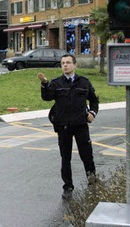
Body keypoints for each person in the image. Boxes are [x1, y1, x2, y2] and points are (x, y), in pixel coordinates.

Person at [37, 54, 99, 199]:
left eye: (68, 62)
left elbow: (94, 100)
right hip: (63, 126)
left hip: (81, 125)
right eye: (63, 63)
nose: (65, 65)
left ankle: (92, 180)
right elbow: (46, 97)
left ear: (75, 65)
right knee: (66, 158)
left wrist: (92, 113)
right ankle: (68, 186)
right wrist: (44, 83)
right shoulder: (56, 83)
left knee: (87, 155)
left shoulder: (84, 82)